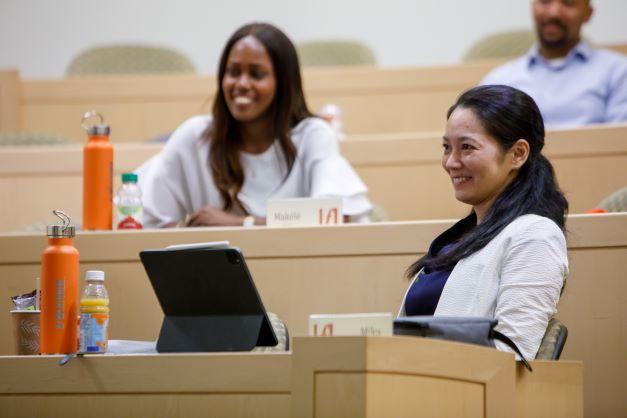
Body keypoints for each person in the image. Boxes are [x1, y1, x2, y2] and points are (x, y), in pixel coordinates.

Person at [138, 23, 372, 228]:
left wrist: (239, 224)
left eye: (257, 74)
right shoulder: (195, 135)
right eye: (233, 72)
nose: (241, 83)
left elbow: (337, 215)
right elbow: (144, 214)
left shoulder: (313, 136)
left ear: (284, 84)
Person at [398, 85, 569, 360]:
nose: (451, 162)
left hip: (460, 397)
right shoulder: (462, 237)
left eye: (467, 147)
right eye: (446, 148)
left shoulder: (536, 236)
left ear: (518, 154)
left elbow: (511, 355)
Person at [481, 0, 627, 128]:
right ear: (533, 7)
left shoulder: (618, 72)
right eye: (545, 1)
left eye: (568, 3)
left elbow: (617, 145)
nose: (554, 13)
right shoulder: (499, 80)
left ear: (588, 13)